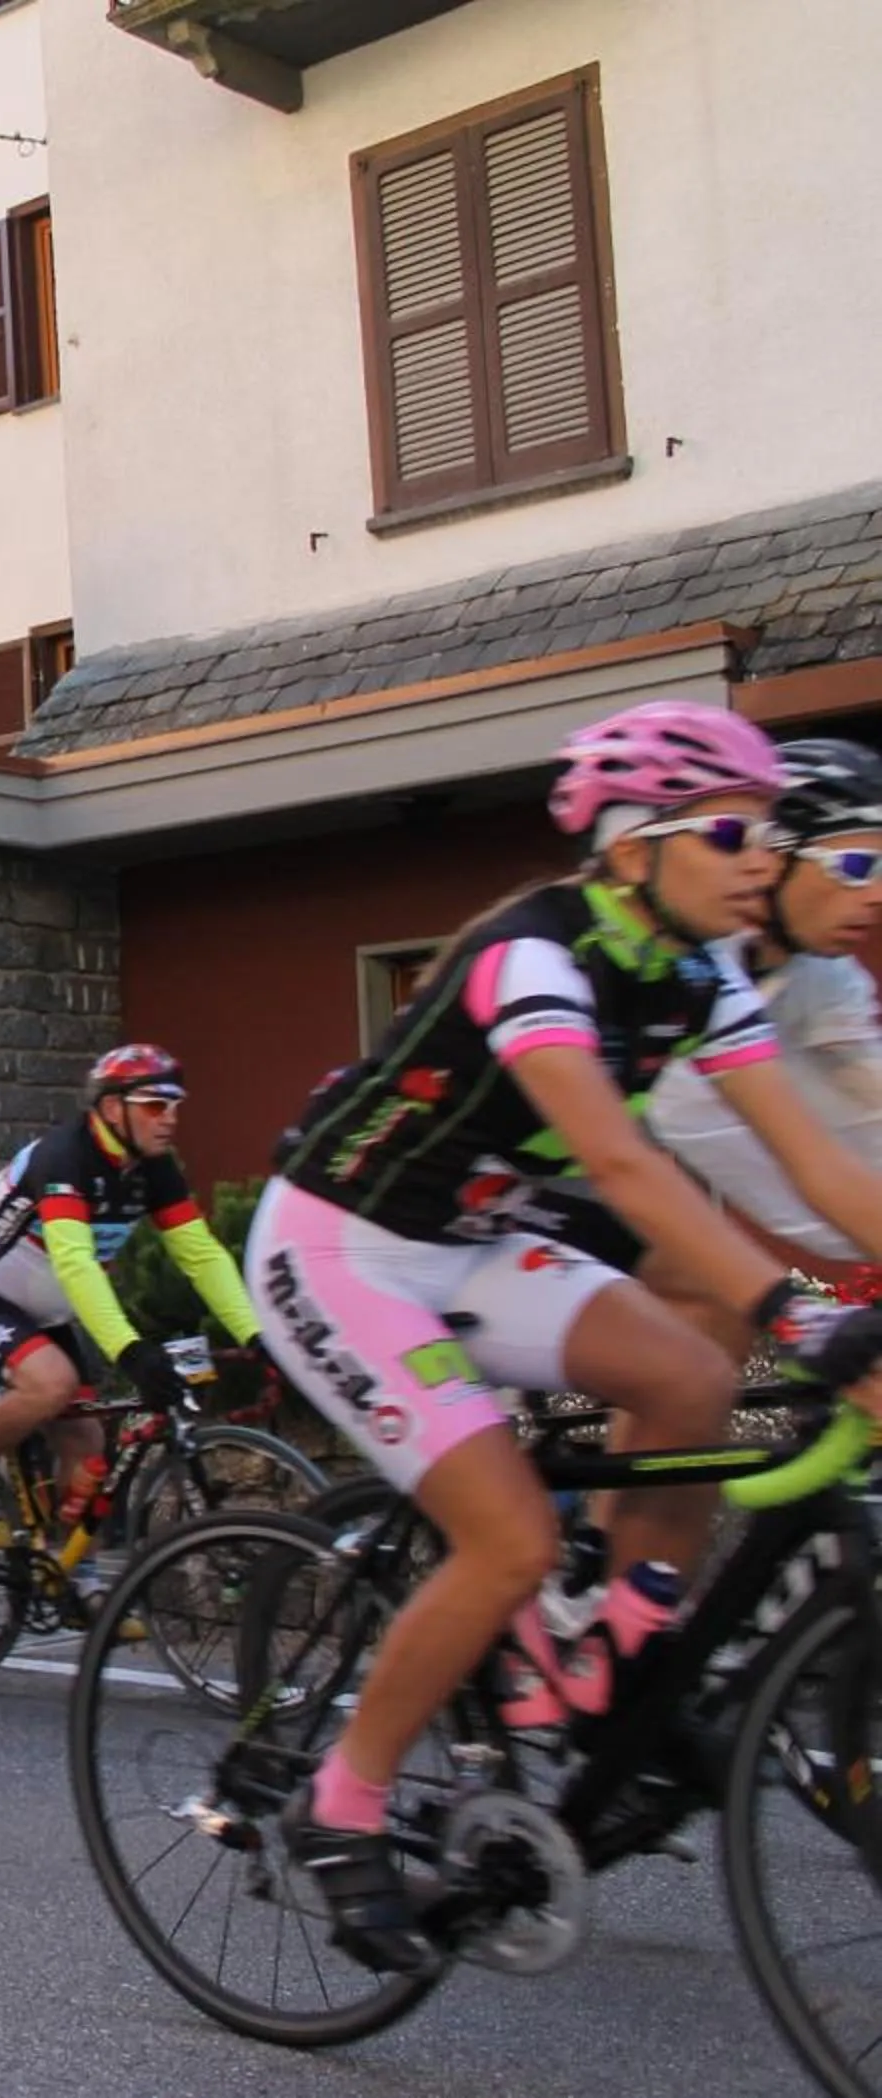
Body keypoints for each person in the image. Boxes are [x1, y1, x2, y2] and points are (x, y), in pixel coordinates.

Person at [251, 700, 882, 1974]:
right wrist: (800, 1312)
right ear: (635, 842)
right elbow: (621, 1167)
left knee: (697, 1382)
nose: (761, 858)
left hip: (478, 1239)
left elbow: (817, 1158)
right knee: (509, 1534)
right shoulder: (530, 955)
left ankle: (616, 1637)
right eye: (730, 831)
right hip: (341, 1249)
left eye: (768, 832)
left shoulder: (702, 970)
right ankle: (344, 1802)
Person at [0, 1042, 266, 1540]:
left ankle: (69, 1579)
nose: (169, 1119)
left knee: (87, 1449)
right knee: (52, 1383)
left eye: (174, 1106)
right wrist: (130, 1351)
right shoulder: (65, 1159)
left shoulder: (153, 1167)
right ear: (111, 1108)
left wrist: (255, 1334)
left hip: (41, 1314)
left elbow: (203, 1255)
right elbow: (76, 1263)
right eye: (154, 1105)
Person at [649, 737, 882, 1283]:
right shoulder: (681, 971)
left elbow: (868, 1095)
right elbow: (812, 1171)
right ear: (769, 858)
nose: (878, 894)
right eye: (857, 865)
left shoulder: (824, 973)